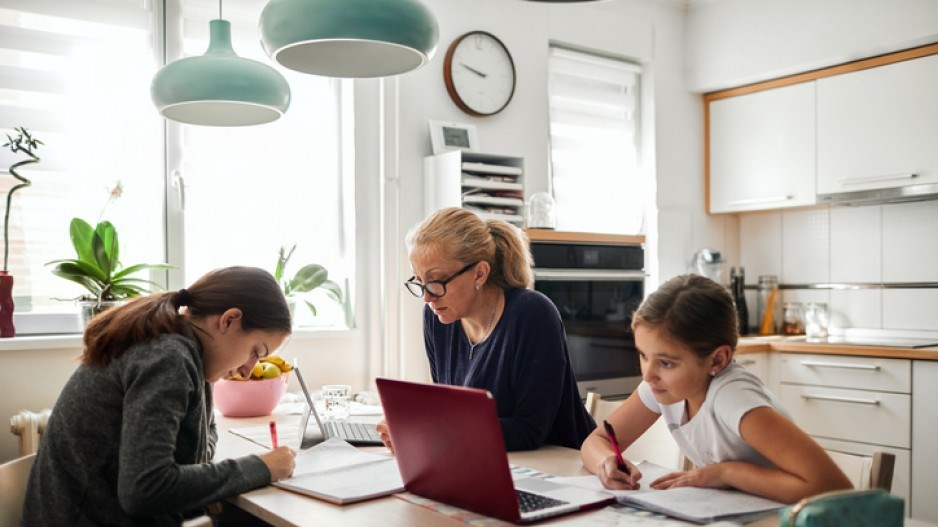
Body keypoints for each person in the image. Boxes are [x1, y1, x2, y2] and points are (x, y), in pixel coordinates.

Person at [22, 266, 297, 526]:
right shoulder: (169, 358)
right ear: (229, 320)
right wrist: (260, 468)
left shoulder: (187, 350)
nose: (249, 372)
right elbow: (145, 489)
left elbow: (203, 437)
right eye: (256, 352)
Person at [580, 274, 852, 503]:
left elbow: (834, 489)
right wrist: (606, 462)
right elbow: (596, 441)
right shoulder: (662, 386)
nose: (648, 374)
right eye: (643, 355)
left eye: (666, 362)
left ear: (717, 360)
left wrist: (725, 473)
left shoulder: (733, 398)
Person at [377, 207, 595, 452]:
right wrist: (410, 426)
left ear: (479, 273)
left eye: (436, 281)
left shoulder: (533, 314)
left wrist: (433, 432)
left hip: (562, 468)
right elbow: (447, 410)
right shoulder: (437, 317)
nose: (427, 297)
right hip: (483, 460)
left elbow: (530, 430)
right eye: (419, 281)